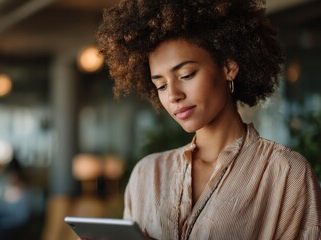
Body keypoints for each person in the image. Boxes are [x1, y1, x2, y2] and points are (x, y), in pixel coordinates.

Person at [95, 0, 321, 239]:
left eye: (186, 74)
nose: (173, 95)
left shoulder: (285, 173)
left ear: (228, 66)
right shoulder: (147, 175)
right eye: (160, 85)